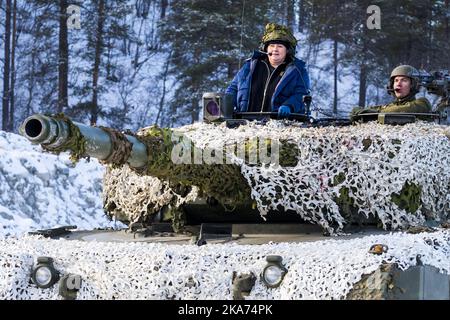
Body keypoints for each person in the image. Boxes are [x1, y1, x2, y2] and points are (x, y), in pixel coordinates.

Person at [225, 23, 311, 118]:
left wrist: (289, 105)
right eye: (272, 45)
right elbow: (233, 89)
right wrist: (225, 106)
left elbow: (301, 94)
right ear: (266, 48)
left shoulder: (297, 70)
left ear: (287, 50)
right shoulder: (250, 66)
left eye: (280, 46)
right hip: (245, 122)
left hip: (280, 124)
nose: (275, 49)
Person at [350, 65, 432, 121]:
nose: (398, 84)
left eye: (404, 80)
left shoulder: (422, 103)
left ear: (412, 85)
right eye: (396, 80)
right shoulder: (388, 107)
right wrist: (361, 112)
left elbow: (402, 110)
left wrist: (375, 114)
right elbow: (382, 109)